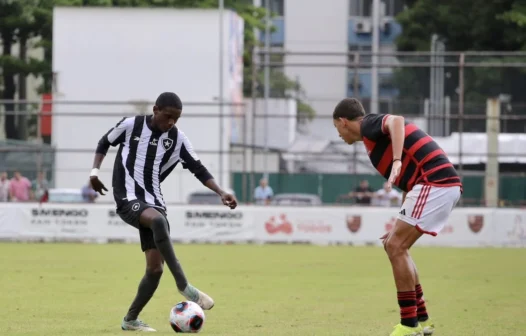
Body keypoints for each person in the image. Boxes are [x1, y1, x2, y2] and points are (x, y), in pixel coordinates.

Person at [89, 92, 238, 332]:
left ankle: (130, 320)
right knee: (158, 221)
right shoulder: (131, 125)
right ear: (156, 109)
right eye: (168, 116)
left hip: (154, 201)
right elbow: (104, 142)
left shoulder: (177, 138)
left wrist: (221, 192)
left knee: (155, 270)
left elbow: (198, 168)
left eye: (176, 119)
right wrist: (94, 172)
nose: (171, 123)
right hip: (127, 198)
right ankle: (185, 286)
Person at [332, 98, 461, 336]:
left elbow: (397, 121)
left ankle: (409, 325)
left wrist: (397, 160)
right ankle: (421, 320)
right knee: (395, 245)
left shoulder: (368, 124)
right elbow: (409, 184)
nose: (339, 134)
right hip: (431, 185)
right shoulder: (371, 139)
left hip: (435, 182)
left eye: (337, 128)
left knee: (396, 246)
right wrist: (399, 220)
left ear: (343, 121)